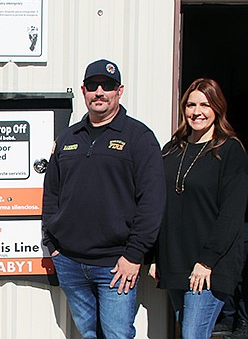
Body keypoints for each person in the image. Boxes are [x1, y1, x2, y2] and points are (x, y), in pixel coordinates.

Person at [42, 59, 166, 338]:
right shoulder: (67, 138)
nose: (100, 92)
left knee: (117, 335)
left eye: (107, 86)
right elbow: (51, 193)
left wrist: (134, 255)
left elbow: (152, 201)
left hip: (116, 265)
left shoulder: (139, 137)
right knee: (88, 335)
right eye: (93, 86)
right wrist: (53, 244)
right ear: (83, 91)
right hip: (70, 262)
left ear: (119, 91)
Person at [149, 78, 248, 339]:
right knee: (190, 333)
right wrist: (156, 255)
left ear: (217, 108)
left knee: (193, 334)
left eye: (205, 104)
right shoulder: (172, 150)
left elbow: (232, 213)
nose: (196, 111)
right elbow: (160, 204)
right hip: (176, 261)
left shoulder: (230, 151)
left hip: (208, 267)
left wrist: (207, 261)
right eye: (191, 104)